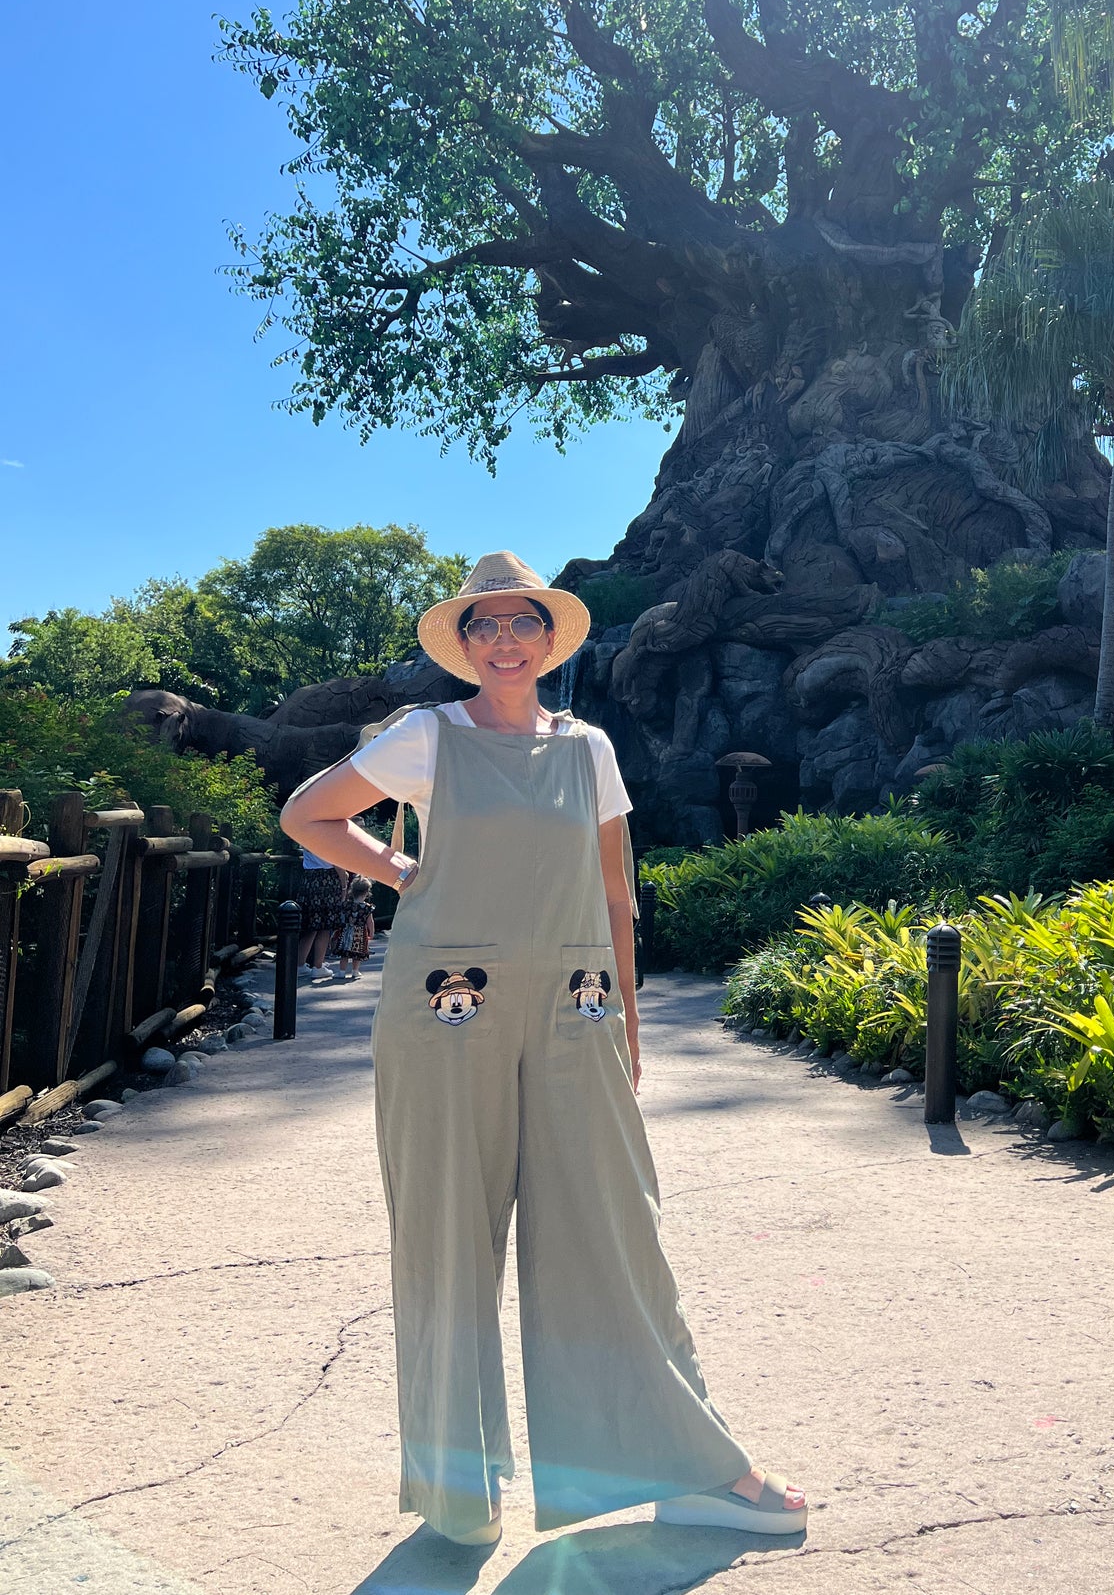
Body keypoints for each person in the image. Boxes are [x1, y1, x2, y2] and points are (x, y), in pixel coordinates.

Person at [279, 551, 805, 1546]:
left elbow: (614, 895)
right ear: (465, 645)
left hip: (579, 1008)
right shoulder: (424, 736)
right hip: (443, 1010)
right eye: (484, 626)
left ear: (549, 638)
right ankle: (457, 1496)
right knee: (444, 1237)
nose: (504, 640)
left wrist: (631, 1025)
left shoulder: (588, 748)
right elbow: (308, 811)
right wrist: (406, 872)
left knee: (614, 1231)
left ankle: (689, 1468)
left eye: (522, 622)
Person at [297, 847, 346, 981]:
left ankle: (300, 964)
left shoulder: (306, 833)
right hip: (327, 879)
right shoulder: (326, 835)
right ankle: (318, 966)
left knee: (311, 924)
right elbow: (336, 862)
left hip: (309, 878)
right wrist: (344, 885)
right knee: (325, 925)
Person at [335, 873, 375, 981]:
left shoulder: (347, 905)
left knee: (344, 953)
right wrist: (371, 932)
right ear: (367, 892)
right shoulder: (367, 908)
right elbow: (370, 922)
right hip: (360, 933)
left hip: (346, 931)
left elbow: (342, 917)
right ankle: (355, 971)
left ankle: (341, 972)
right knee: (357, 954)